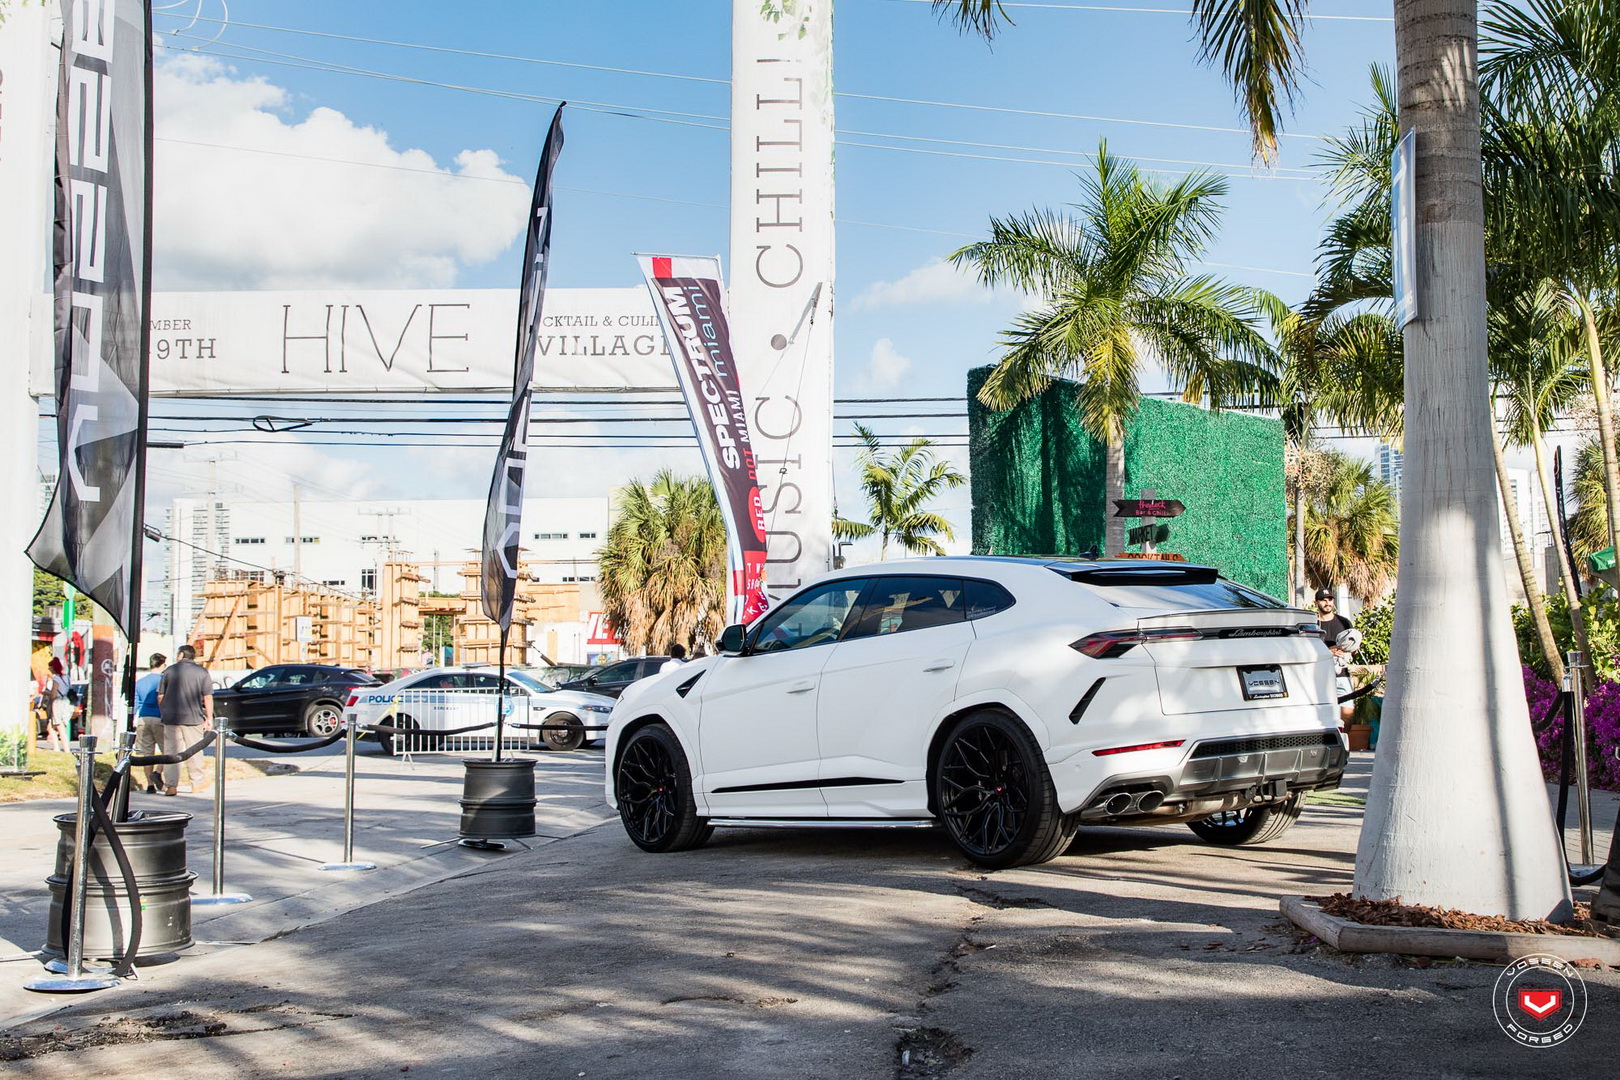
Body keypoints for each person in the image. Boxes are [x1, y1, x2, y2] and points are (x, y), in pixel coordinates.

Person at [156, 644, 213, 796]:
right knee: (194, 751)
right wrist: (209, 718)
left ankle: (171, 786)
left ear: (181, 654)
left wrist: (164, 711)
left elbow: (160, 695)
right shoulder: (202, 672)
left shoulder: (168, 671)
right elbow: (207, 697)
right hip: (193, 718)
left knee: (171, 752)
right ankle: (197, 783)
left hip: (171, 719)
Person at [1315, 588, 1357, 725]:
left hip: (1342, 675)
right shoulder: (1313, 625)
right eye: (1323, 600)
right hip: (1320, 676)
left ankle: (1345, 744)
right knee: (1322, 716)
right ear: (1317, 603)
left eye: (1330, 599)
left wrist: (1350, 649)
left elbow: (1354, 647)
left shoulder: (1344, 622)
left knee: (1348, 715)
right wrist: (1329, 651)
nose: (1327, 603)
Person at [133, 653, 167, 793]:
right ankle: (157, 772)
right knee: (167, 750)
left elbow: (136, 703)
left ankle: (149, 785)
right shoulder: (164, 680)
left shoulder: (140, 682)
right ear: (162, 665)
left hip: (143, 718)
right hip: (160, 717)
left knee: (147, 753)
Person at [42, 658, 72, 752]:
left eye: (50, 668)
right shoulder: (67, 677)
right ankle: (56, 747)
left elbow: (53, 694)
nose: (49, 670)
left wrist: (45, 692)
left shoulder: (56, 679)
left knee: (59, 726)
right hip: (66, 701)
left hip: (57, 702)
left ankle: (66, 749)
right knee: (51, 726)